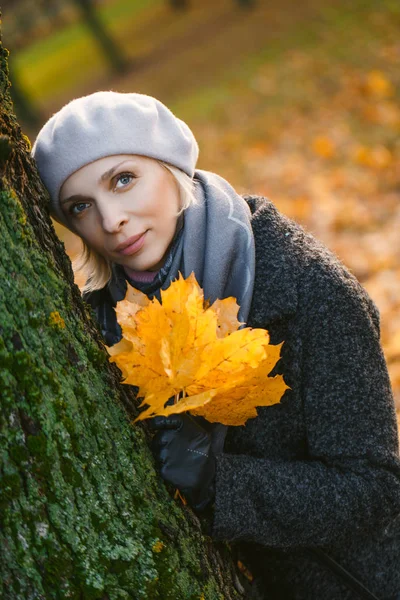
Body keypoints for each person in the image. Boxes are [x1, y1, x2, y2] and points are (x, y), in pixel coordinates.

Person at [32, 91, 400, 599]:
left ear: (170, 166)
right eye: (81, 206)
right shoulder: (103, 328)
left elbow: (374, 491)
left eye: (123, 180)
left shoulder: (306, 288)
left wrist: (219, 482)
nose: (111, 219)